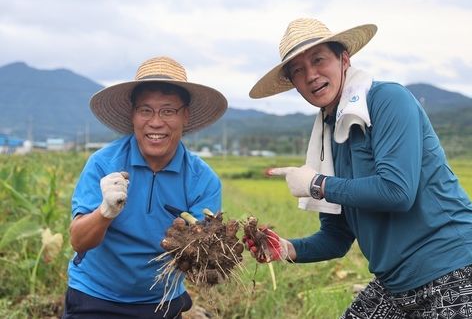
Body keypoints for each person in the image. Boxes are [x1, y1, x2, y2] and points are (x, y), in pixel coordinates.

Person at [246, 17, 472, 318]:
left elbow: (397, 191)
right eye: (298, 70)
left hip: (452, 269)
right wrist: (286, 249)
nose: (311, 75)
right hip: (395, 282)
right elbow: (337, 237)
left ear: (344, 59)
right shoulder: (329, 136)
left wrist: (318, 184)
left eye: (319, 60)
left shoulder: (387, 100)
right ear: (293, 84)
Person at [62, 56, 228, 318]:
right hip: (95, 294)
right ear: (133, 115)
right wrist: (105, 212)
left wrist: (207, 250)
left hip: (161, 300)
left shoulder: (202, 179)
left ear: (185, 116)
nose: (156, 122)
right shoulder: (104, 164)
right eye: (146, 110)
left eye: (168, 111)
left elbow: (202, 251)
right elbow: (78, 240)